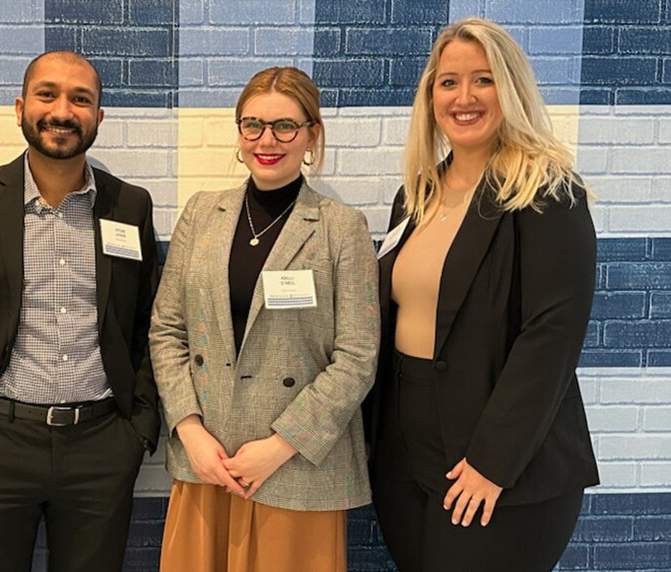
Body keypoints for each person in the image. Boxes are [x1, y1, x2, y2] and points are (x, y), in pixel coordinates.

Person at [366, 17, 599, 572]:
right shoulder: (416, 195)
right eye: (448, 82)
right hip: (405, 452)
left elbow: (552, 337)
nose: (463, 97)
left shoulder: (546, 192)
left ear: (511, 89)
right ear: (430, 95)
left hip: (501, 462)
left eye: (483, 80)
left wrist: (492, 462)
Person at [0, 50, 160, 572]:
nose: (63, 111)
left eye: (81, 99)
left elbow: (145, 321)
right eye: (48, 94)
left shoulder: (129, 206)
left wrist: (137, 428)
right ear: (21, 106)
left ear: (99, 116)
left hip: (102, 445)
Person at [149, 66, 380, 572]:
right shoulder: (201, 214)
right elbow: (167, 330)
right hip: (208, 462)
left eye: (284, 126)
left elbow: (358, 358)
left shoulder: (342, 228)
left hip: (297, 466)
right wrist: (189, 430)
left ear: (311, 135)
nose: (266, 140)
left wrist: (280, 446)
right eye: (252, 124)